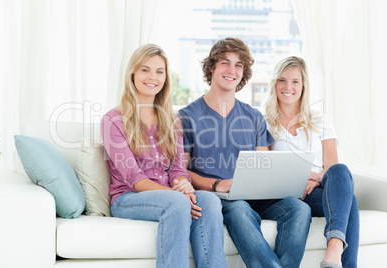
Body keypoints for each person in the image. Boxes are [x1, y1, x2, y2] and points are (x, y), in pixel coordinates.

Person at [178, 37, 312, 268]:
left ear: (244, 72)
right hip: (219, 197)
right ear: (211, 68)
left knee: (299, 208)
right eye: (225, 63)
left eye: (239, 65)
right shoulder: (187, 116)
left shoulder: (253, 117)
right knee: (239, 207)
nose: (232, 70)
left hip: (255, 196)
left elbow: (264, 165)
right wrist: (216, 184)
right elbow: (180, 171)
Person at [101, 44, 227, 268]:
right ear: (133, 74)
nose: (153, 77)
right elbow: (135, 180)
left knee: (208, 199)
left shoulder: (172, 120)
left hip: (170, 195)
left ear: (166, 78)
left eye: (160, 72)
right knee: (178, 202)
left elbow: (178, 169)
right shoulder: (113, 120)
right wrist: (177, 195)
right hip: (128, 198)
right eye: (145, 70)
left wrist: (183, 186)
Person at [264, 56, 359, 268]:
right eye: (282, 80)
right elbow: (265, 169)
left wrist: (316, 180)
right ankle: (341, 260)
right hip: (288, 193)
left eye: (295, 81)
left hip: (318, 188)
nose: (288, 87)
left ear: (304, 85)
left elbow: (331, 166)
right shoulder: (265, 123)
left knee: (341, 171)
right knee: (350, 201)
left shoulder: (321, 120)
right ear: (275, 84)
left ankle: (334, 250)